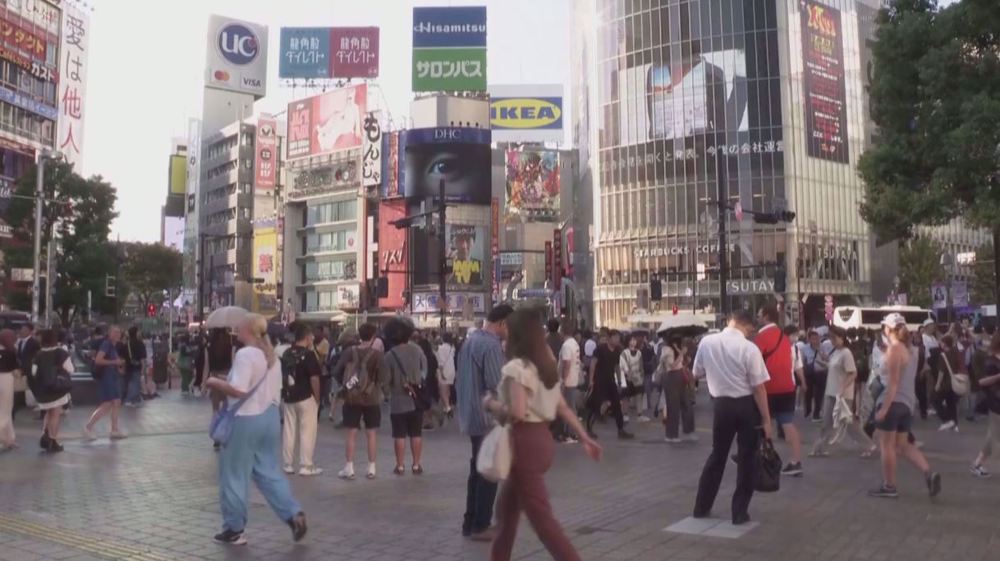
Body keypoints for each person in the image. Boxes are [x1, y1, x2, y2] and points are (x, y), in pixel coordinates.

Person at [482, 308, 602, 561]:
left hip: (524, 443)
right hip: (542, 441)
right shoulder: (545, 366)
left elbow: (516, 411)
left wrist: (491, 404)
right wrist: (585, 436)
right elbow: (562, 407)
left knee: (543, 521)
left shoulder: (518, 368)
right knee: (506, 512)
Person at [203, 314, 307, 545]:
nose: (235, 328)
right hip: (269, 417)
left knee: (234, 474)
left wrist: (214, 382)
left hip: (245, 419)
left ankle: (234, 528)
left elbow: (239, 390)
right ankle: (293, 513)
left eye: (238, 325)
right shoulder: (272, 358)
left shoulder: (245, 354)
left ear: (248, 330)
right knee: (268, 472)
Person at [692, 310, 772, 525]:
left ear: (729, 321)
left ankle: (701, 507)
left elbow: (696, 373)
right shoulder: (749, 348)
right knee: (746, 459)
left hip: (721, 406)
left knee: (717, 456)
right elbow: (758, 388)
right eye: (750, 330)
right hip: (746, 406)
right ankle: (739, 512)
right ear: (746, 326)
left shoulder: (707, 342)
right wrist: (766, 419)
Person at [456, 303, 514, 542]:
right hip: (488, 417)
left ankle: (470, 522)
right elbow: (497, 383)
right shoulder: (490, 346)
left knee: (476, 469)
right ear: (501, 323)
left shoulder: (470, 341)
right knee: (488, 471)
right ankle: (481, 525)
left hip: (470, 412)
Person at [869, 313, 941, 499]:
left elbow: (893, 383)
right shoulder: (911, 349)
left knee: (887, 446)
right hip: (908, 403)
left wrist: (884, 408)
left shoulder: (894, 350)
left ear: (889, 329)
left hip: (893, 402)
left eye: (885, 325)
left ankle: (890, 485)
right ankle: (928, 472)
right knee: (903, 445)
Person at [810, 326, 877, 458]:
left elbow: (852, 373)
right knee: (827, 421)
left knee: (848, 423)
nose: (832, 340)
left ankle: (869, 445)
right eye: (830, 337)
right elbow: (835, 368)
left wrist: (842, 388)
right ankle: (820, 447)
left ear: (842, 338)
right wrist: (826, 363)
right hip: (831, 391)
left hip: (842, 394)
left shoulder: (846, 353)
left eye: (834, 337)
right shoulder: (836, 352)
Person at [751, 307, 803, 474]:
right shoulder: (784, 337)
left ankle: (762, 458)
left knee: (761, 422)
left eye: (759, 315)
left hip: (768, 388)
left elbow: (754, 363)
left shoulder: (761, 337)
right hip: (787, 387)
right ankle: (796, 461)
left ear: (766, 316)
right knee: (787, 424)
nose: (757, 318)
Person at [334, 323, 388, 480]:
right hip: (371, 398)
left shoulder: (349, 352)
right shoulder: (378, 355)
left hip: (352, 398)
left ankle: (349, 467)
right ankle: (371, 467)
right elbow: (383, 378)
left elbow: (337, 371)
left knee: (351, 433)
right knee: (371, 433)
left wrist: (346, 385)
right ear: (373, 337)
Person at [280, 322, 324, 477]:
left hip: (289, 396)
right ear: (306, 337)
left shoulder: (286, 354)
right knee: (307, 430)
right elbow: (315, 378)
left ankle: (287, 463)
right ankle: (306, 465)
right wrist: (317, 398)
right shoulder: (308, 354)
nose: (312, 338)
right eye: (311, 336)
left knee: (289, 430)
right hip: (306, 396)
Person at [384, 319, 427, 476]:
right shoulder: (417, 350)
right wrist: (418, 381)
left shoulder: (389, 355)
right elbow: (425, 368)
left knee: (399, 434)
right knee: (416, 433)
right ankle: (416, 464)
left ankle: (400, 465)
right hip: (416, 398)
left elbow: (385, 379)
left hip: (398, 400)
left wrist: (388, 391)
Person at [584, 330, 634, 440]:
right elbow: (593, 364)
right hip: (599, 381)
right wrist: (591, 380)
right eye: (615, 337)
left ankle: (621, 430)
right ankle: (589, 430)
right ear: (609, 338)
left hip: (611, 381)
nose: (617, 340)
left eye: (618, 338)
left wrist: (620, 381)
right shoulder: (600, 349)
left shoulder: (617, 350)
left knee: (617, 405)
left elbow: (617, 366)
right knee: (595, 406)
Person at [30, 329, 74, 453]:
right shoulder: (61, 352)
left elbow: (34, 372)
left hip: (43, 391)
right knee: (55, 414)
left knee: (48, 413)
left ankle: (45, 436)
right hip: (57, 389)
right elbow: (70, 369)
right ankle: (52, 440)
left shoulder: (39, 354)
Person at [84, 326, 127, 441]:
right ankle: (88, 427)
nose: (118, 334)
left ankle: (114, 429)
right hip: (106, 378)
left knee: (116, 402)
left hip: (112, 377)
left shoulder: (113, 347)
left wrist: (118, 367)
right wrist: (115, 362)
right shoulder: (106, 344)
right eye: (115, 332)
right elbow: (98, 360)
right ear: (109, 333)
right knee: (107, 403)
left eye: (119, 332)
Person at [970, 334, 1000, 478]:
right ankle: (977, 464)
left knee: (992, 436)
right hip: (996, 403)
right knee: (995, 437)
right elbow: (982, 382)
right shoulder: (991, 362)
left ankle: (977, 464)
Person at [658, 335, 695, 443]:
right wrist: (681, 353)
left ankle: (688, 429)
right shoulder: (667, 349)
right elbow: (672, 365)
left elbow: (682, 363)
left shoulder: (677, 348)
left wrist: (685, 357)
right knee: (673, 407)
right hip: (671, 377)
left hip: (680, 376)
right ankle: (671, 435)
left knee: (687, 403)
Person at [556, 322, 582, 443]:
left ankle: (569, 433)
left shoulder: (566, 345)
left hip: (568, 380)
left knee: (568, 408)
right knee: (571, 407)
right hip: (574, 378)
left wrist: (562, 380)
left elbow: (566, 363)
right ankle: (572, 432)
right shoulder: (575, 344)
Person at [934, 335, 963, 432]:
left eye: (941, 342)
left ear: (945, 344)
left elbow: (941, 372)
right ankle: (955, 424)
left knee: (935, 400)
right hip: (955, 382)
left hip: (945, 383)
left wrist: (938, 384)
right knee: (952, 404)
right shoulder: (956, 352)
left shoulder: (943, 356)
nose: (940, 344)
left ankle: (947, 419)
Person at [119, 327, 146, 407]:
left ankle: (131, 399)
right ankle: (129, 399)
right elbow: (142, 358)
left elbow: (122, 356)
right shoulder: (140, 344)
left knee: (127, 383)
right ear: (136, 333)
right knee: (135, 383)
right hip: (136, 366)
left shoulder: (126, 344)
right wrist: (143, 368)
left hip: (127, 366)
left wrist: (122, 367)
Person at [619, 335, 644, 421]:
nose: (633, 342)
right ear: (628, 341)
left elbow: (641, 366)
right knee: (625, 397)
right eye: (631, 340)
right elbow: (623, 365)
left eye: (634, 340)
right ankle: (625, 414)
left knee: (639, 395)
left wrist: (641, 375)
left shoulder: (639, 352)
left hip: (637, 377)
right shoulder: (624, 353)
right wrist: (628, 374)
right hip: (627, 377)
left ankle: (639, 414)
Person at [0, 329, 18, 450]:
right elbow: (15, 369)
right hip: (6, 379)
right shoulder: (10, 352)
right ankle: (5, 438)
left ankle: (9, 439)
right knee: (6, 410)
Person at [436, 332, 457, 416]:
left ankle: (448, 408)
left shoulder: (440, 348)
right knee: (447, 389)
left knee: (442, 391)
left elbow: (440, 362)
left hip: (444, 370)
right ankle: (446, 406)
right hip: (452, 370)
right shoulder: (452, 348)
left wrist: (441, 373)